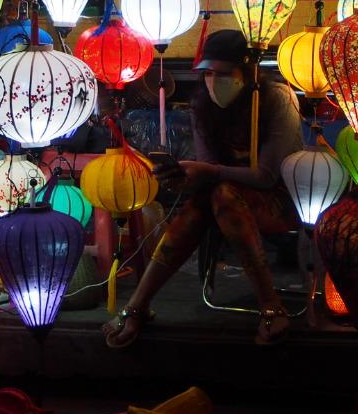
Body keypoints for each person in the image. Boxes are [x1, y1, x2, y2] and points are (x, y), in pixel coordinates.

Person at [105, 28, 304, 348]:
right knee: (202, 202)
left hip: (281, 199)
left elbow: (266, 176)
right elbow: (209, 169)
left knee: (220, 195)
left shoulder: (276, 99)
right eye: (208, 73)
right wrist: (183, 178)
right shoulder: (202, 105)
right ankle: (138, 304)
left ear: (248, 72)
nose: (213, 81)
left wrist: (208, 172)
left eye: (223, 74)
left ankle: (270, 304)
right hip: (223, 200)